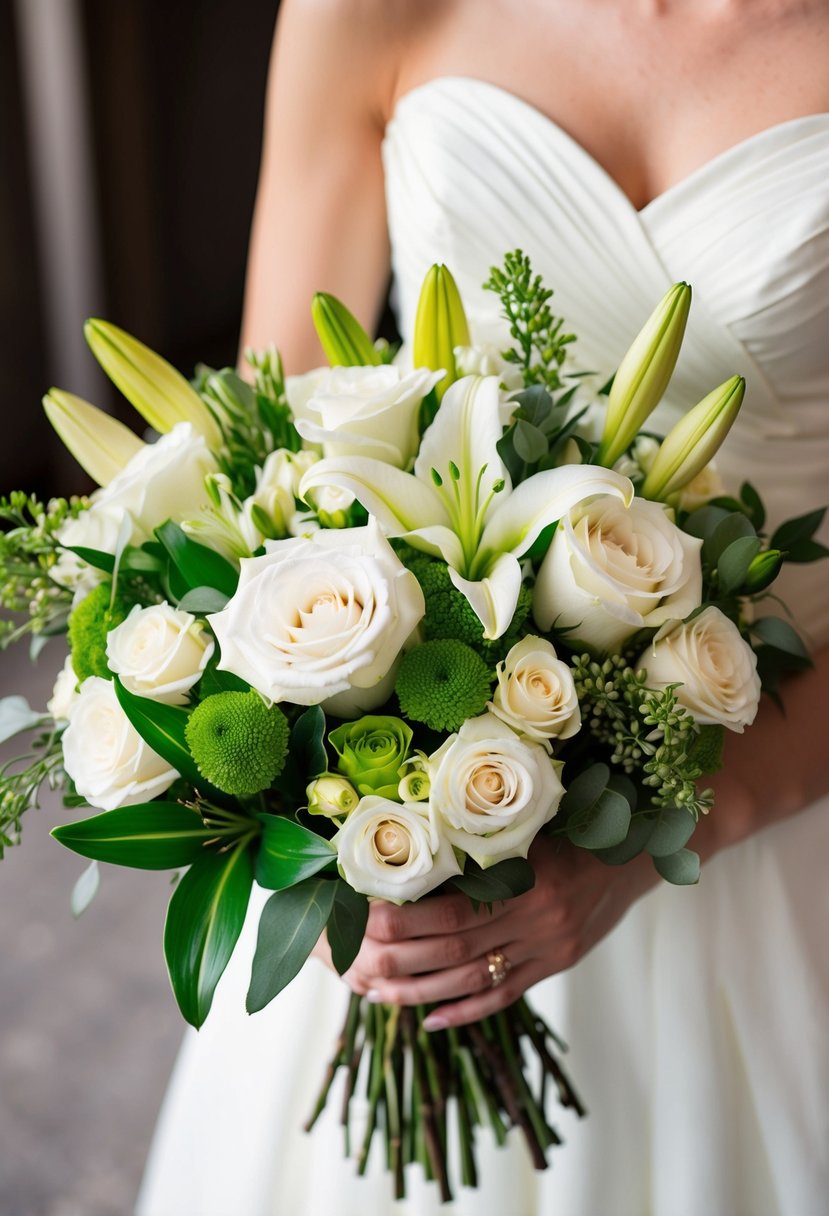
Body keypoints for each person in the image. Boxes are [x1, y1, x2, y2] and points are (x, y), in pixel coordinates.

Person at [137, 2, 829, 1213]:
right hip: (412, 812)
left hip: (779, 772)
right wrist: (348, 750)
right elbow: (268, 447)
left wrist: (652, 844)